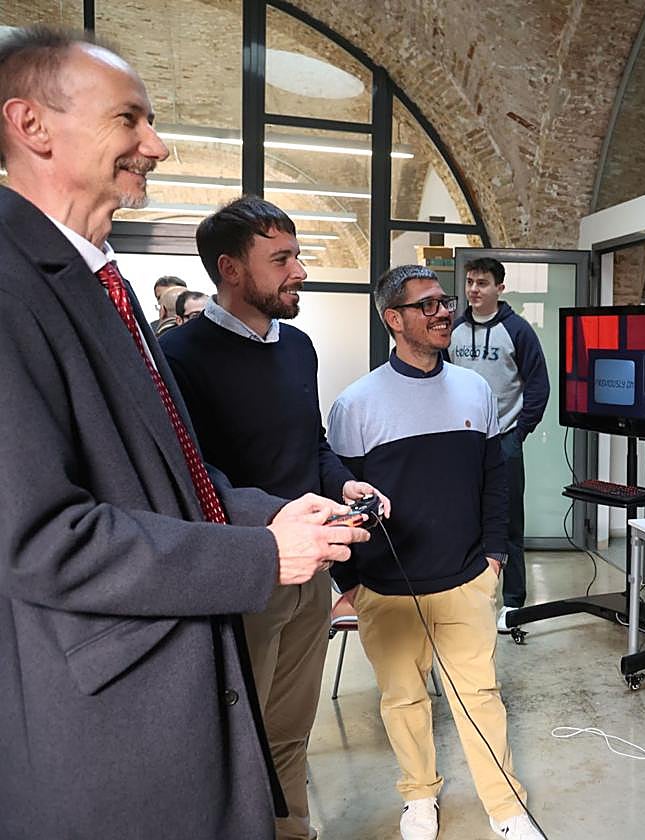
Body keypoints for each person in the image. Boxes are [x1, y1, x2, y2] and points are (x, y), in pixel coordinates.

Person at [0, 26, 369, 839]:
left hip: (190, 642)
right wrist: (262, 553)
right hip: (112, 714)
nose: (156, 145)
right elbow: (41, 540)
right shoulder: (11, 283)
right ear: (31, 126)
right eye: (129, 119)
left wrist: (273, 517)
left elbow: (172, 474)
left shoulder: (104, 284)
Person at [161, 196, 392, 840]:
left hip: (312, 572)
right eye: (282, 258)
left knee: (291, 727)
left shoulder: (298, 347)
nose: (300, 271)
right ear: (231, 269)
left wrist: (345, 482)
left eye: (298, 255)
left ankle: (291, 831)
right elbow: (194, 475)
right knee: (239, 736)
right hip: (244, 575)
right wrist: (281, 519)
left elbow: (311, 443)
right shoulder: (178, 356)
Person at [328, 265, 543, 840]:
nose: (444, 311)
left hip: (466, 576)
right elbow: (340, 497)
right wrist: (348, 582)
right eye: (426, 305)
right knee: (402, 700)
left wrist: (495, 556)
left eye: (443, 301)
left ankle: (505, 807)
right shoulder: (357, 404)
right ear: (392, 320)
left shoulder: (474, 389)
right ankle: (420, 797)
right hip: (387, 587)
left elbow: (495, 481)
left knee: (480, 697)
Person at [448, 257, 549, 630]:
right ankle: (468, 594)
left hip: (504, 441)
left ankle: (512, 603)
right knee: (463, 521)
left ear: (499, 289)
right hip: (461, 443)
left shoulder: (517, 331)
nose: (474, 290)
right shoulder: (453, 329)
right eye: (470, 282)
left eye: (483, 283)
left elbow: (538, 385)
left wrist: (518, 433)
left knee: (508, 527)